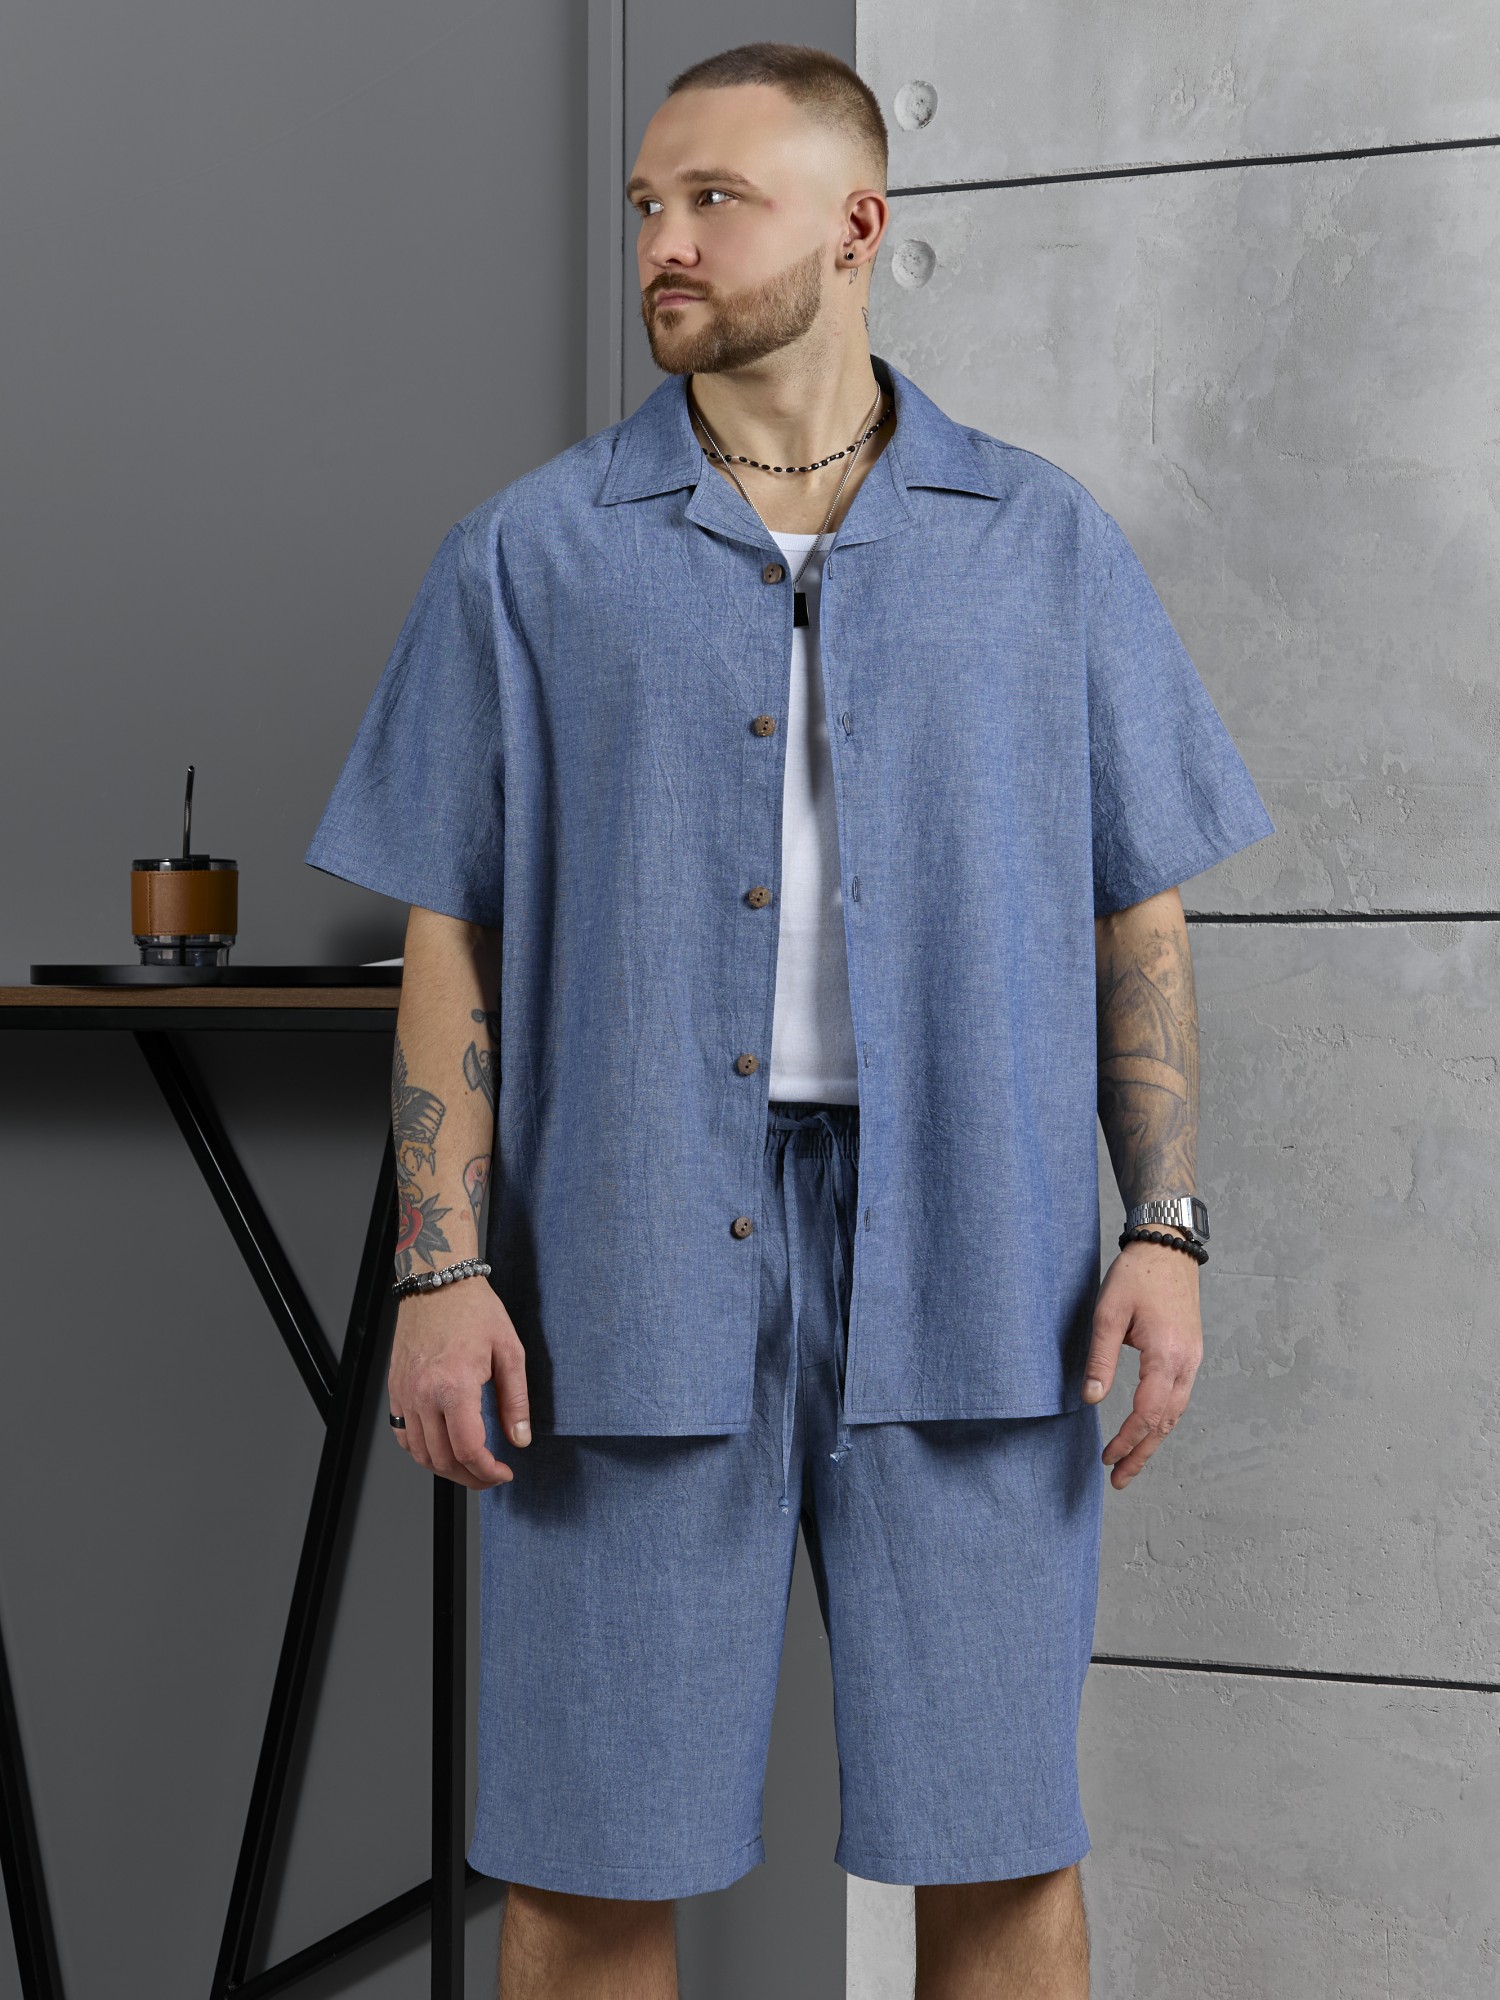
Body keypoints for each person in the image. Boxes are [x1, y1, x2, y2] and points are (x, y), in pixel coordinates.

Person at [304, 39, 1274, 2000]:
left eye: (713, 200)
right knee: (587, 1859)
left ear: (856, 225)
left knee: (1000, 1846)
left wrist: (1165, 1227)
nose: (662, 240)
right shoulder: (530, 554)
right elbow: (450, 938)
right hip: (622, 1276)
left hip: (985, 1277)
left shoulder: (1042, 542)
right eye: (646, 205)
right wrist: (440, 1268)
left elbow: (1137, 912)